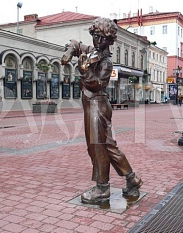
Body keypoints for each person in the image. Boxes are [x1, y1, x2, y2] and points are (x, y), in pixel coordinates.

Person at [61, 17, 142, 205]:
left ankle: (102, 188)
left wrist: (84, 71)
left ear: (110, 40)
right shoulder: (93, 51)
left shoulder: (106, 62)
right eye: (95, 36)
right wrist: (71, 49)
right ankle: (132, 179)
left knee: (97, 146)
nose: (98, 41)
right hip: (92, 104)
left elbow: (98, 85)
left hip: (97, 104)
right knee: (107, 145)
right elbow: (76, 44)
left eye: (102, 38)